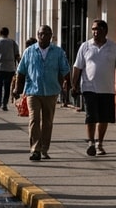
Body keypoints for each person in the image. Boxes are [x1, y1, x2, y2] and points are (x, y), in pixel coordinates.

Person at [69, 19, 116, 157]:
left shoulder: (113, 47)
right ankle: (90, 142)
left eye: (98, 29)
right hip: (89, 87)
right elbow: (77, 67)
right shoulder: (85, 46)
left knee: (103, 118)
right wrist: (74, 84)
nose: (95, 32)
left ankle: (99, 143)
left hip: (107, 89)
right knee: (91, 116)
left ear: (105, 31)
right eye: (93, 29)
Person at [13, 25, 71, 161]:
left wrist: (66, 87)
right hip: (33, 91)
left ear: (51, 36)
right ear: (37, 35)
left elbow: (65, 71)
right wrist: (17, 89)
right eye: (41, 34)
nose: (43, 36)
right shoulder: (29, 51)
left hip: (51, 91)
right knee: (34, 119)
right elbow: (20, 72)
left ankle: (44, 149)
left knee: (48, 121)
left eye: (46, 34)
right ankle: (35, 149)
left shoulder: (58, 52)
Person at [0, 26, 21, 111]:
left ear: (0, 33)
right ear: (7, 33)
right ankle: (4, 104)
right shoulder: (13, 43)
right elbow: (17, 56)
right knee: (7, 86)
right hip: (10, 68)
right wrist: (20, 67)